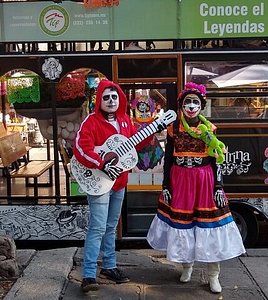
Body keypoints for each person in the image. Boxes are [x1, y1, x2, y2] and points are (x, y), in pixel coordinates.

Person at [147, 82, 246, 294]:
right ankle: (187, 267)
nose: (191, 106)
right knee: (185, 226)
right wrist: (166, 185)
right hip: (180, 181)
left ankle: (213, 275)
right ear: (182, 105)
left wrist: (218, 187)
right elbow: (169, 160)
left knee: (208, 226)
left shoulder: (209, 130)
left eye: (195, 102)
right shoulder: (173, 129)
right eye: (187, 102)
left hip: (204, 182)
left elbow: (216, 160)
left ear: (201, 105)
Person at [73, 79, 166, 292]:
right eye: (106, 97)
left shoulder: (125, 120)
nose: (111, 100)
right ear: (100, 101)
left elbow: (135, 144)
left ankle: (109, 266)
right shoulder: (91, 121)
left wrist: (153, 129)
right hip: (98, 180)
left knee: (111, 226)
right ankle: (88, 275)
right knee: (97, 227)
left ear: (120, 99)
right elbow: (81, 147)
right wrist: (101, 163)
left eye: (114, 96)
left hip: (120, 181)